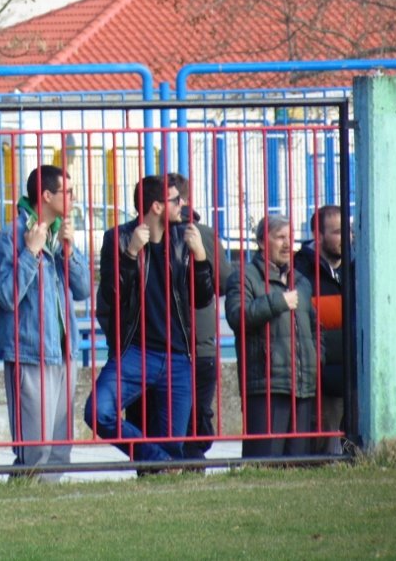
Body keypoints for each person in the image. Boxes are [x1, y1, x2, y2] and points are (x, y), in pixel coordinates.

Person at [86, 174, 213, 464]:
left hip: (178, 357)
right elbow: (111, 295)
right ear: (156, 206)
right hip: (135, 353)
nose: (183, 204)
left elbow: (202, 298)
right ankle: (156, 460)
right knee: (98, 411)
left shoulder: (185, 237)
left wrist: (202, 257)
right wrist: (130, 254)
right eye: (175, 200)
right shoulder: (117, 238)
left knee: (173, 446)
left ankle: (162, 465)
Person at [124, 173, 232, 462]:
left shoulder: (201, 235)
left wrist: (200, 258)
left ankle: (185, 468)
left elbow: (222, 284)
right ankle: (159, 468)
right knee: (154, 420)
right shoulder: (139, 235)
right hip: (161, 347)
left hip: (195, 346)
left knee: (190, 425)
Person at [0, 165, 90, 478]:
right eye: (68, 192)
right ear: (46, 195)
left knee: (61, 446)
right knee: (34, 447)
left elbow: (84, 289)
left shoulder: (62, 232)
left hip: (64, 351)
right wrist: (30, 253)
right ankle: (23, 496)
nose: (73, 198)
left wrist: (70, 251)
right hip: (30, 352)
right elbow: (6, 296)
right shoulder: (10, 237)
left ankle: (49, 503)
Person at [226, 215, 319, 458]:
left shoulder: (301, 281)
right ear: (262, 242)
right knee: (264, 461)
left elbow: (315, 325)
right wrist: (278, 301)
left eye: (291, 237)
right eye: (280, 237)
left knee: (297, 464)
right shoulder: (244, 276)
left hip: (303, 385)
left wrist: (315, 359)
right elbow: (237, 316)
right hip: (267, 384)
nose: (288, 244)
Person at [293, 205, 350, 454]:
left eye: (347, 230)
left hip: (353, 373)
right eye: (338, 232)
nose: (346, 237)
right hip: (321, 375)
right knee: (323, 447)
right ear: (319, 234)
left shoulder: (357, 266)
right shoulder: (301, 270)